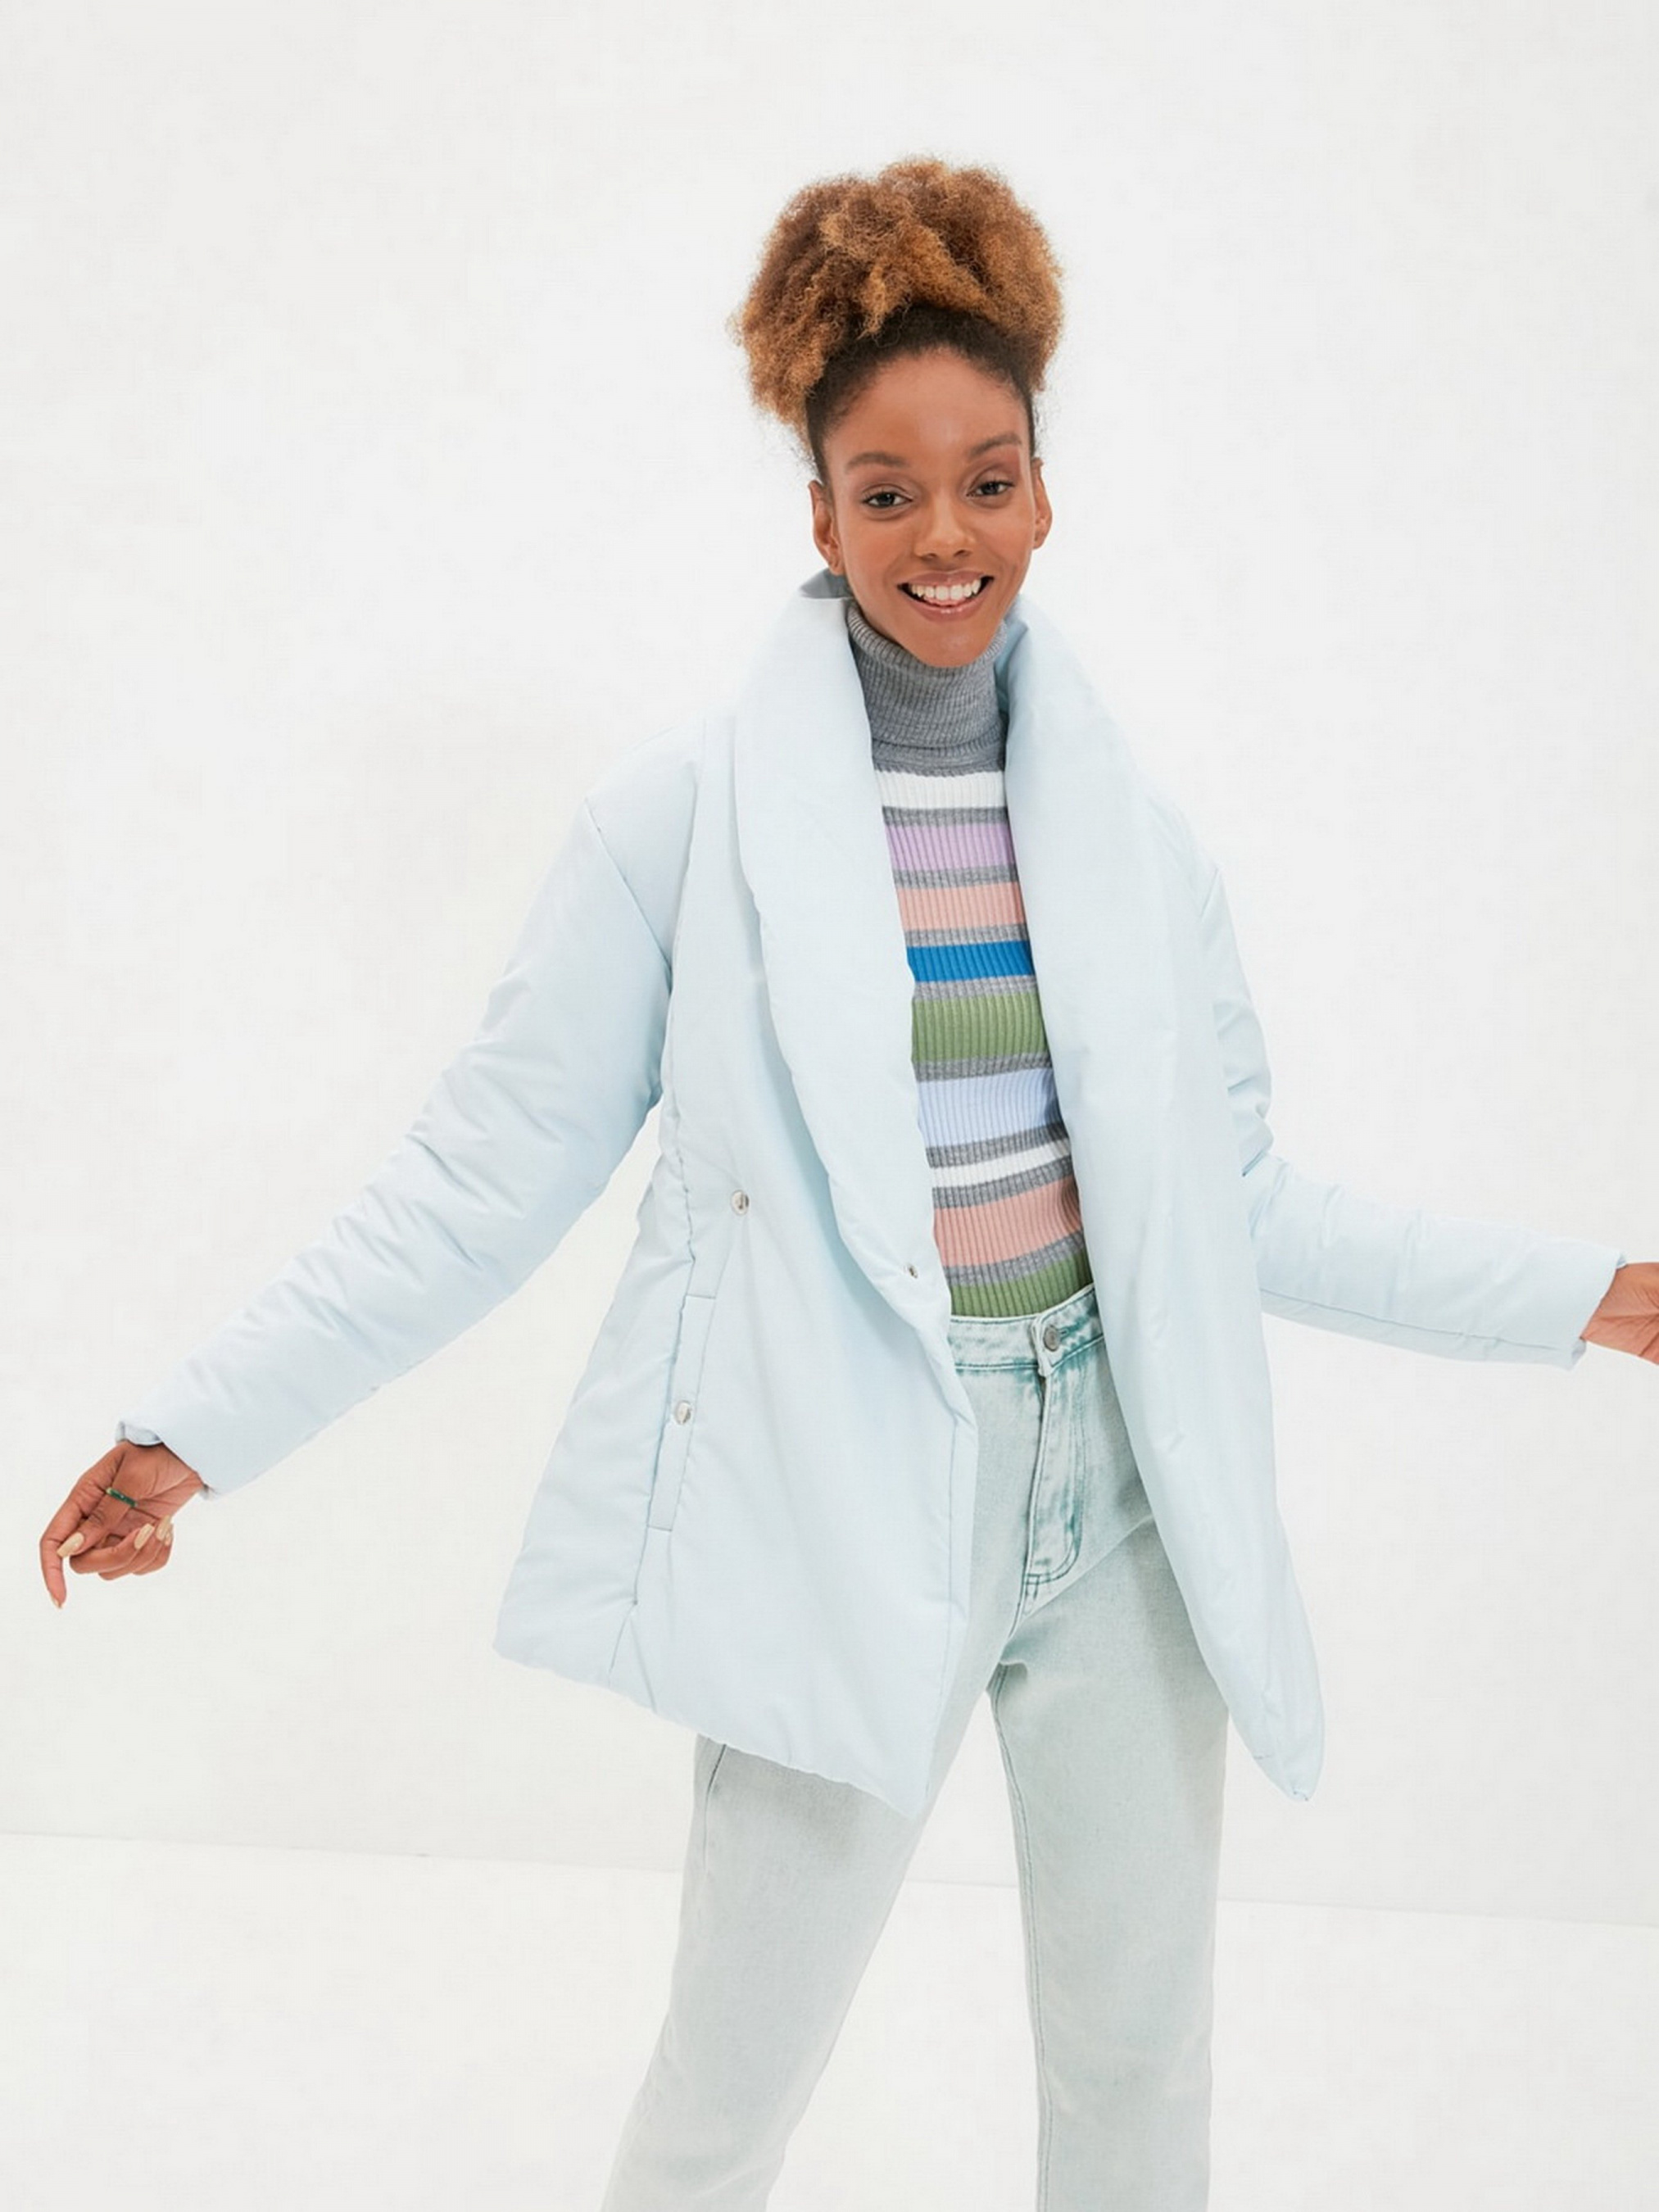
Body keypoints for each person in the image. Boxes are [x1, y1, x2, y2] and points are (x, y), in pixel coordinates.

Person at [39, 156, 1657, 2211]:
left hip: (1123, 1497)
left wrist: (1591, 1295)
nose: (941, 535)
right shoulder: (678, 824)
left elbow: (1235, 1205)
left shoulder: (1139, 840)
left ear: (1045, 495)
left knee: (1137, 2062)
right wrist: (195, 1429)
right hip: (847, 1487)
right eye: (886, 492)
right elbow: (471, 1188)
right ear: (818, 516)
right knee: (732, 2081)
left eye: (985, 481)